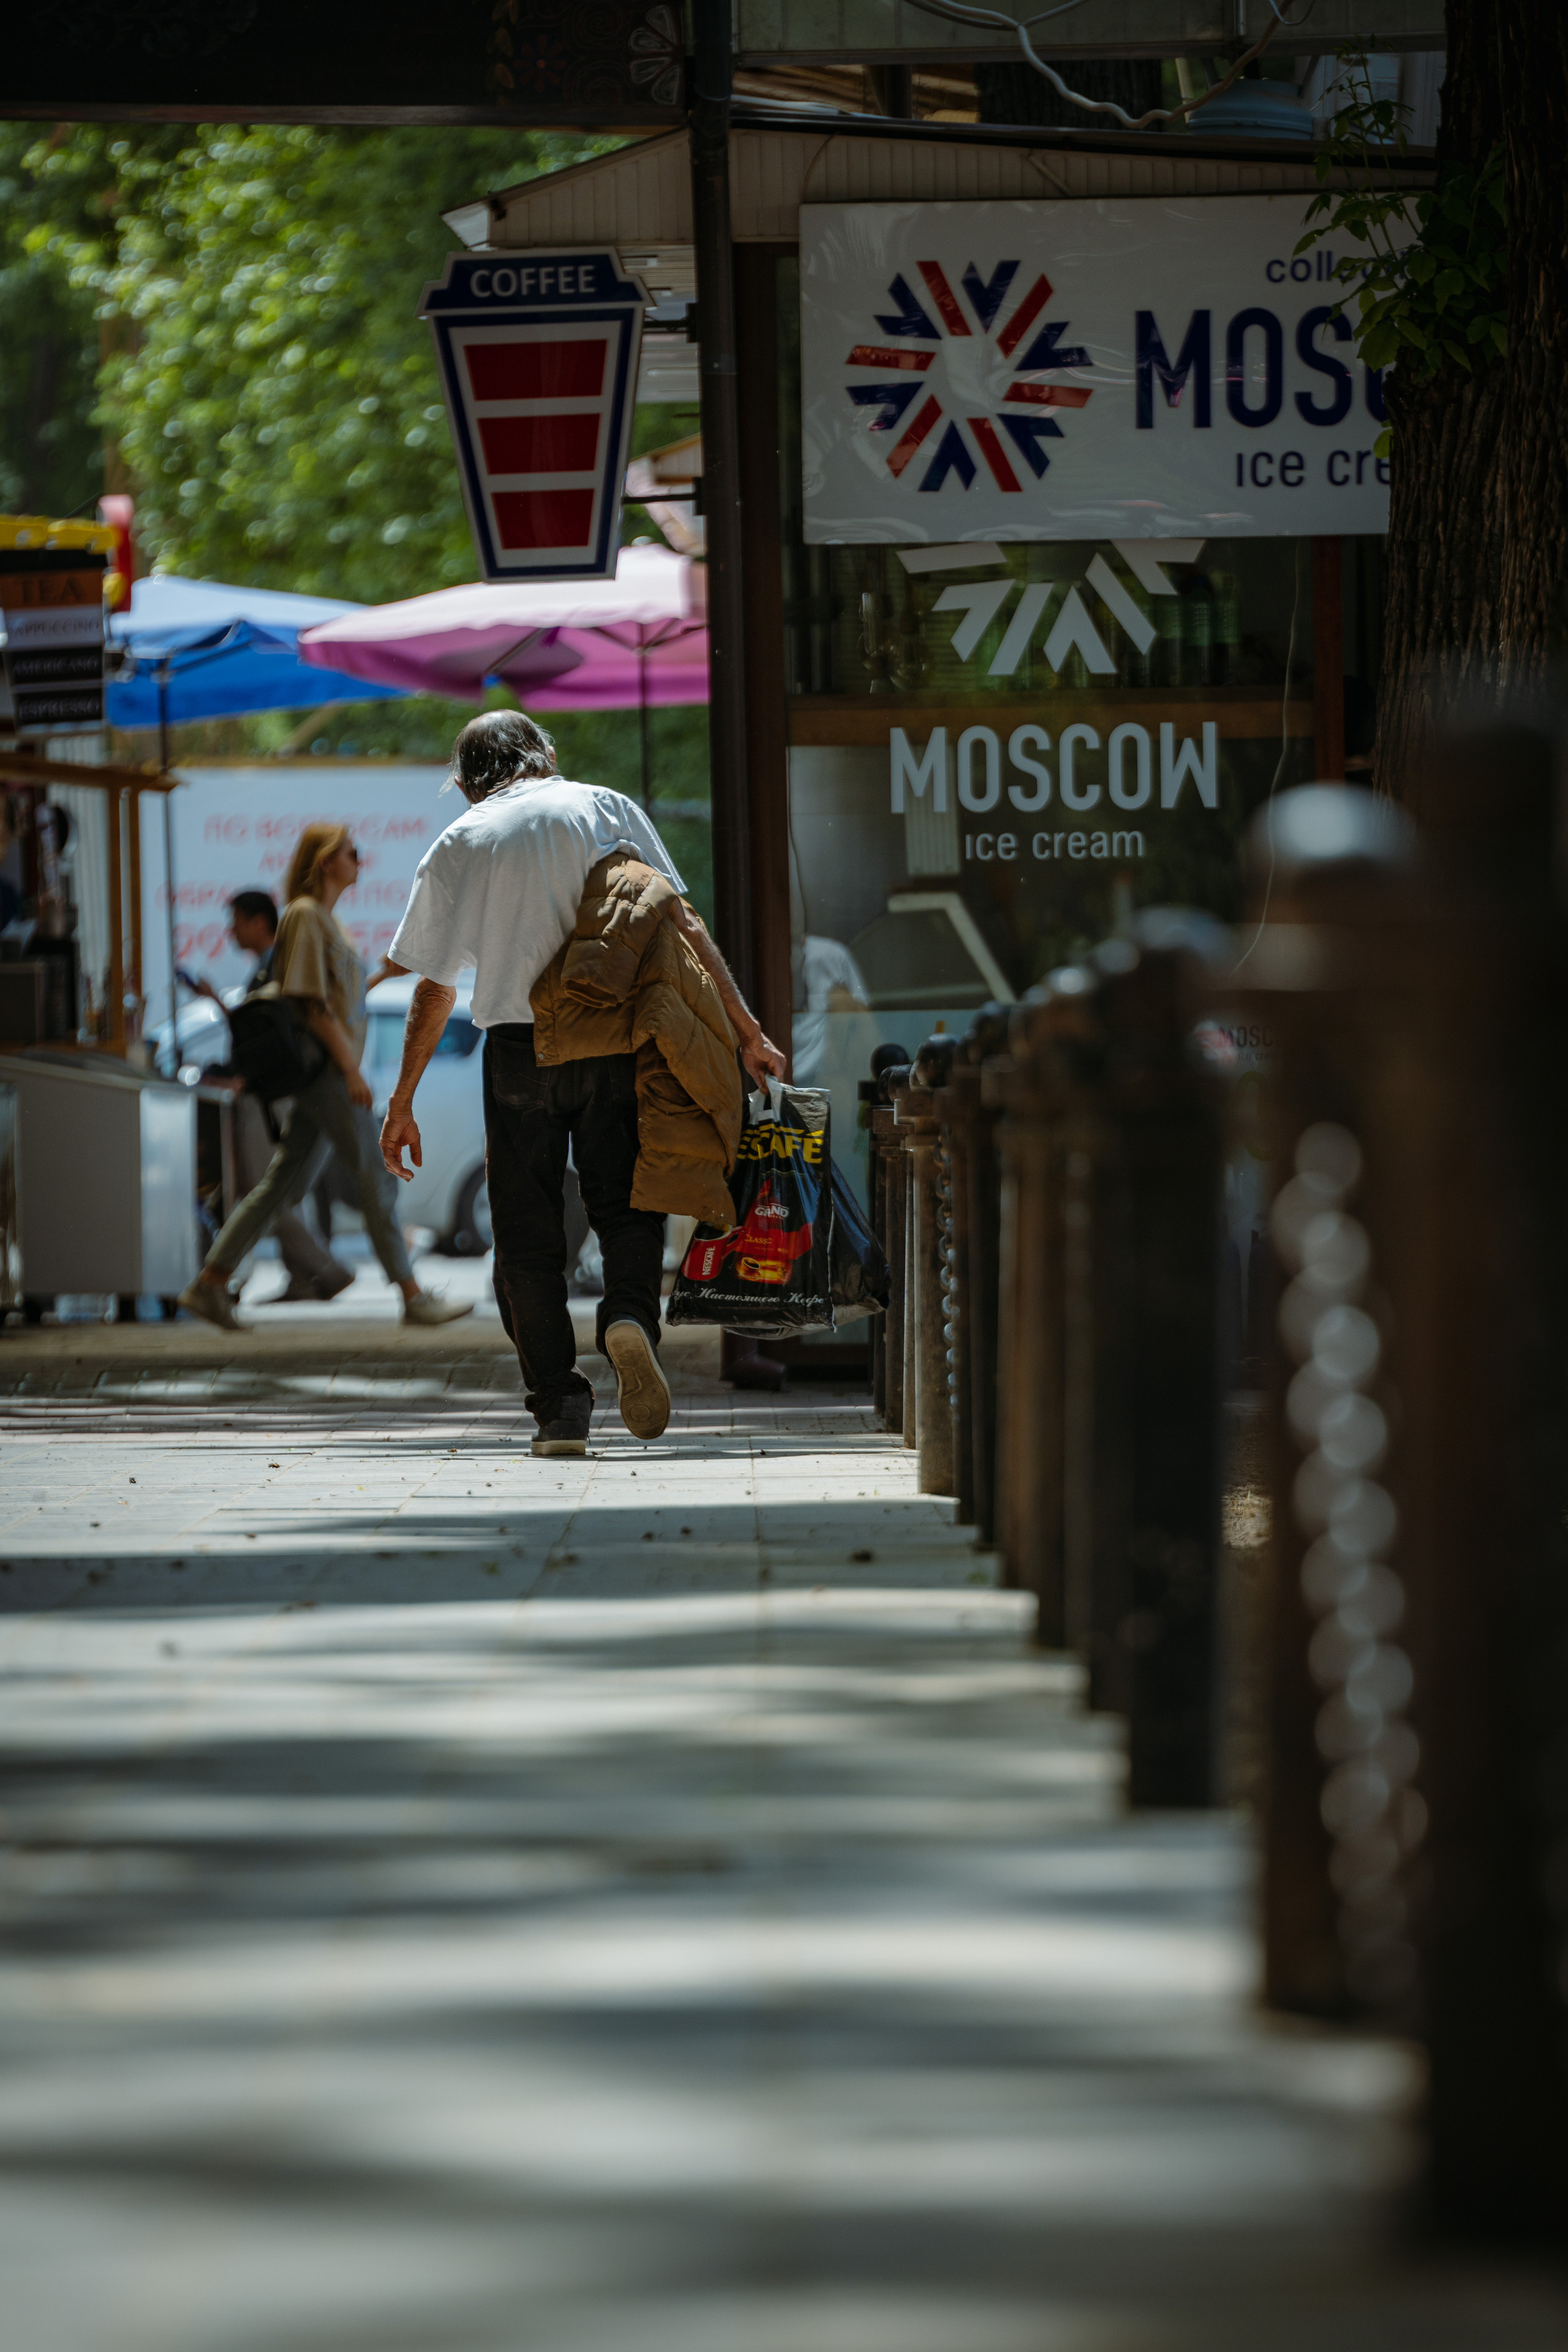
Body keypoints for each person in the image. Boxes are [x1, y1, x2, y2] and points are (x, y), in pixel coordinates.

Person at [377, 710, 784, 1456]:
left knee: (525, 1238)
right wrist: (747, 1031)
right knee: (628, 1206)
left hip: (517, 1051)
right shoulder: (604, 807)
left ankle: (560, 1412)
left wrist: (402, 1100)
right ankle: (628, 1316)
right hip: (612, 1042)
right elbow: (682, 923)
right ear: (546, 755)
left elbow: (434, 987)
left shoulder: (458, 842)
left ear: (466, 784)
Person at [178, 824, 472, 1333]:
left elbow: (340, 998)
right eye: (350, 852)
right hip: (327, 1073)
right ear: (324, 860)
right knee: (376, 1175)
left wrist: (383, 973)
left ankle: (210, 1283)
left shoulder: (328, 923)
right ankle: (413, 1296)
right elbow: (311, 1003)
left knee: (282, 1187)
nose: (359, 859)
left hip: (327, 1074)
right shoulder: (305, 915)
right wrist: (351, 1070)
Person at [192, 889, 355, 1304]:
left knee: (267, 1190)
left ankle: (328, 1270)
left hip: (275, 1096)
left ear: (259, 922)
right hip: (279, 1094)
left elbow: (271, 1036)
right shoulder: (272, 967)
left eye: (236, 923)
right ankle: (302, 1279)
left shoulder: (276, 969)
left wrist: (246, 1075)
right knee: (277, 1188)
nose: (230, 932)